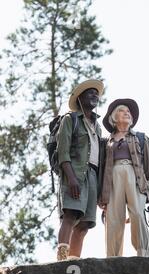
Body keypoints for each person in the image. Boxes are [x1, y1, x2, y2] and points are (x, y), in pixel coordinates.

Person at [99, 99, 149, 257]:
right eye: (122, 110)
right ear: (114, 117)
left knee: (137, 214)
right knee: (113, 218)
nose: (127, 113)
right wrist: (100, 195)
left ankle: (143, 253)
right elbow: (100, 169)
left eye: (128, 112)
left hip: (135, 177)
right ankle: (113, 258)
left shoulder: (141, 138)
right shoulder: (106, 142)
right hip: (112, 178)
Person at [56, 79, 104, 261]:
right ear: (80, 98)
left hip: (92, 176)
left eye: (96, 93)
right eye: (90, 93)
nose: (95, 96)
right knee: (70, 215)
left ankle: (73, 262)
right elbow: (63, 152)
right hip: (74, 173)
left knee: (85, 224)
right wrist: (71, 178)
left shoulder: (97, 127)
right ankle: (61, 259)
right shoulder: (70, 119)